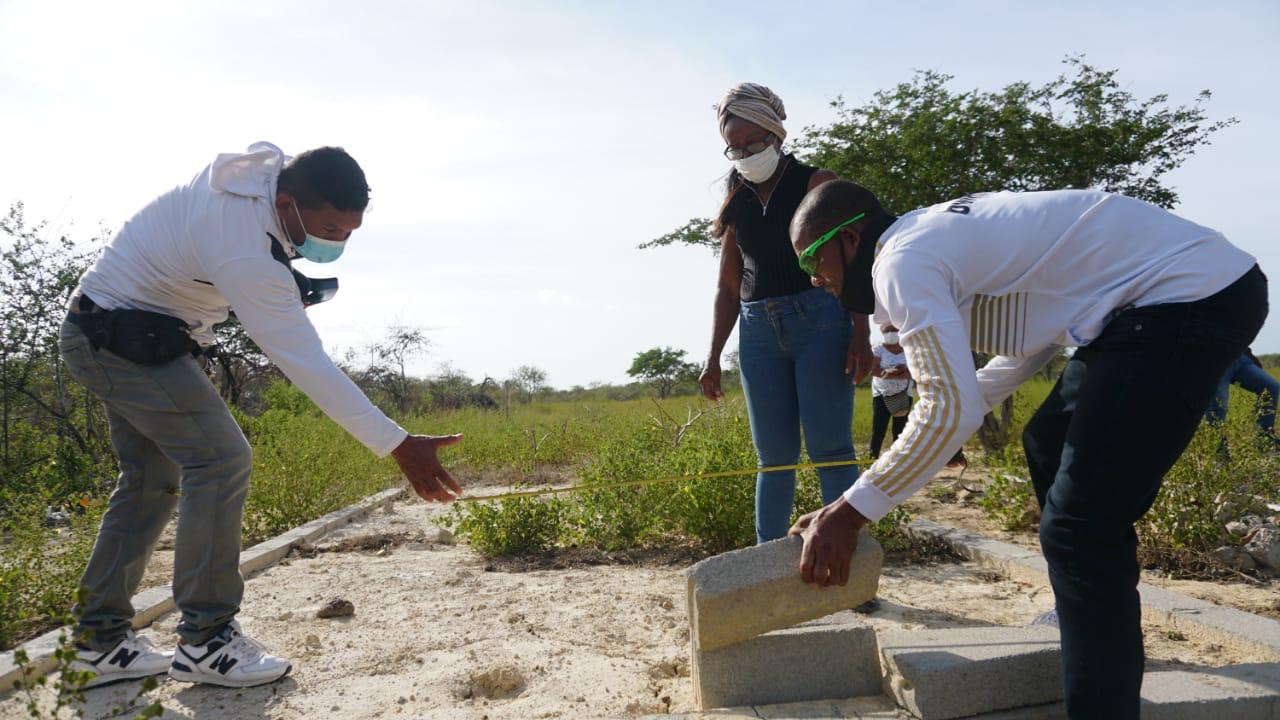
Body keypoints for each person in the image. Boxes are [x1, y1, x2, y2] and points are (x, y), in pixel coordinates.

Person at [787, 181, 1266, 719]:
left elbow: (948, 407)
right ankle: (1081, 616)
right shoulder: (933, 238)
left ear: (849, 239)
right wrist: (942, 433)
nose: (813, 277)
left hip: (1184, 297)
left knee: (1080, 526)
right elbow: (1023, 351)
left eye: (811, 257)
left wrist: (848, 514)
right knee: (1047, 441)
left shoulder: (900, 262)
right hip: (1161, 299)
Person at [61, 143, 464, 689]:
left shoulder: (258, 198)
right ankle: (206, 640)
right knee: (220, 459)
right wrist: (397, 443)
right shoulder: (243, 246)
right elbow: (304, 361)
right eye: (328, 228)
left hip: (128, 331)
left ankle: (98, 642)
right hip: (118, 339)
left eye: (349, 232)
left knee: (151, 480)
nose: (336, 242)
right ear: (289, 202)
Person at [696, 83, 872, 544]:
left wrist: (860, 332)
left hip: (821, 324)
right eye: (734, 147)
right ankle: (766, 566)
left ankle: (850, 572)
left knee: (830, 449)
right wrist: (713, 357)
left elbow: (853, 263)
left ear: (777, 135)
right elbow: (728, 286)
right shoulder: (737, 197)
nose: (746, 153)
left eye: (754, 142)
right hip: (757, 334)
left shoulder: (816, 182)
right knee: (772, 458)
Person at [1205, 348, 1280, 448]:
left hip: (1239, 356)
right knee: (1218, 405)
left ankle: (1264, 441)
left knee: (1271, 387)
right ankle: (1218, 452)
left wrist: (1248, 353)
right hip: (1213, 359)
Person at [869, 324, 911, 458]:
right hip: (881, 395)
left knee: (900, 430)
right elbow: (874, 370)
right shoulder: (878, 349)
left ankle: (896, 461)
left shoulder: (908, 349)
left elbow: (914, 372)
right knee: (878, 429)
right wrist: (889, 373)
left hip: (904, 395)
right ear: (881, 332)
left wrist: (901, 371)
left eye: (894, 330)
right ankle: (871, 460)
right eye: (887, 330)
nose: (891, 333)